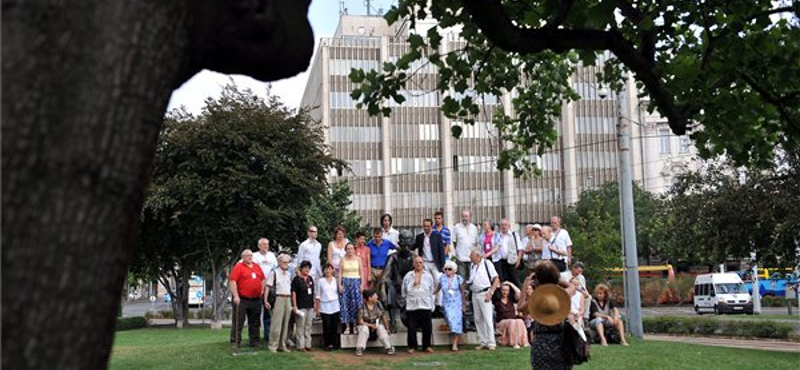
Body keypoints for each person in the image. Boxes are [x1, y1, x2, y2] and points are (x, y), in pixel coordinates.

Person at [528, 260, 572, 370]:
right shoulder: (561, 296)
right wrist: (555, 279)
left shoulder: (537, 300)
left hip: (541, 343)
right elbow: (572, 287)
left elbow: (520, 308)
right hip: (561, 342)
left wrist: (526, 283)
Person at [229, 249, 266, 348]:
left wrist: (262, 290)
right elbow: (233, 282)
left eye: (251, 255)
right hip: (242, 298)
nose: (250, 257)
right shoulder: (238, 267)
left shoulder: (257, 266)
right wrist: (236, 296)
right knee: (238, 321)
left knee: (255, 322)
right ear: (243, 257)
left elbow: (263, 279)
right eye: (248, 255)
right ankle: (235, 341)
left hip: (255, 299)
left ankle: (254, 341)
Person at [467, 247, 499, 350]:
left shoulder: (487, 264)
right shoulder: (472, 266)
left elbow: (496, 279)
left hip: (485, 292)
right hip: (475, 293)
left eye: (472, 256)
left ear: (478, 256)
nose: (470, 258)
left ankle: (491, 342)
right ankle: (483, 341)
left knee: (487, 318)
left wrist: (491, 292)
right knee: (478, 318)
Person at [402, 256, 436, 353]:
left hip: (425, 304)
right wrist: (413, 285)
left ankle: (427, 346)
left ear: (423, 264)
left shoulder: (428, 276)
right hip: (412, 305)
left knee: (427, 327)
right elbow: (403, 291)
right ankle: (412, 346)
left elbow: (431, 291)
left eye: (420, 262)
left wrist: (432, 304)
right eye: (416, 262)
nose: (418, 264)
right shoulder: (408, 276)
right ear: (413, 264)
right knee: (411, 328)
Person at [383, 229, 415, 333]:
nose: (406, 246)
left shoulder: (414, 258)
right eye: (403, 243)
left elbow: (419, 274)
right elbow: (385, 276)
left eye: (408, 242)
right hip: (396, 287)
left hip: (410, 287)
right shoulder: (393, 257)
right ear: (399, 243)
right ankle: (392, 322)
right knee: (390, 289)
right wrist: (383, 290)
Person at [434, 260, 466, 351]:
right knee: (450, 320)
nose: (447, 271)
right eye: (446, 269)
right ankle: (455, 338)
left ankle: (455, 343)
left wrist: (464, 304)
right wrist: (430, 294)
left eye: (449, 269)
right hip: (446, 303)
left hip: (456, 303)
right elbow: (437, 288)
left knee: (456, 322)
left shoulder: (458, 278)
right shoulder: (442, 278)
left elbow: (462, 292)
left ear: (454, 270)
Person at [265, 254, 293, 353]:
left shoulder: (289, 274)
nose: (286, 264)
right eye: (284, 262)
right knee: (276, 323)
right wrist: (265, 300)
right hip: (278, 298)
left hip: (287, 298)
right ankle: (273, 345)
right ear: (279, 262)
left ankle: (282, 345)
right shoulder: (274, 273)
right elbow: (267, 287)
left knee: (286, 323)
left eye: (287, 262)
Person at [355, 290, 396, 356]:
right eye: (375, 296)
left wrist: (387, 328)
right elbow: (360, 321)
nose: (377, 297)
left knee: (381, 328)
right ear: (369, 298)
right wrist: (371, 325)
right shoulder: (361, 306)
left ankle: (389, 348)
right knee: (364, 328)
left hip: (376, 325)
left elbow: (383, 316)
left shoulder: (378, 304)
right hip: (365, 325)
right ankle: (359, 348)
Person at [252, 238, 277, 342]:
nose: (266, 246)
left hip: (270, 287)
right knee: (256, 313)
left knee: (268, 312)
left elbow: (275, 268)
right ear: (259, 246)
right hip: (258, 287)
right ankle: (255, 337)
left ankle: (267, 335)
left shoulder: (271, 255)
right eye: (263, 244)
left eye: (267, 244)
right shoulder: (254, 256)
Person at [413, 219, 446, 293]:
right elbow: (413, 246)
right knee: (426, 282)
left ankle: (439, 303)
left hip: (435, 263)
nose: (426, 228)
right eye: (424, 226)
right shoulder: (420, 237)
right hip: (425, 263)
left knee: (438, 281)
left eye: (428, 226)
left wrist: (443, 264)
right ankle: (430, 300)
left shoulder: (437, 236)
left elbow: (441, 251)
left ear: (431, 226)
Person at [494, 282, 529, 349]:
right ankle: (514, 343)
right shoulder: (497, 300)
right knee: (512, 322)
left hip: (513, 320)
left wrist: (510, 284)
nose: (505, 292)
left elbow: (520, 294)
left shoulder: (511, 299)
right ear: (500, 291)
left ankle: (524, 342)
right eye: (503, 290)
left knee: (520, 321)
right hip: (501, 322)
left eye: (507, 290)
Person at [339, 243, 363, 334]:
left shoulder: (358, 259)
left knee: (356, 305)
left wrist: (361, 285)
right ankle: (347, 327)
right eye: (348, 249)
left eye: (351, 248)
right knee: (346, 304)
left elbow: (361, 273)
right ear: (346, 250)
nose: (350, 250)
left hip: (356, 282)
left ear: (354, 249)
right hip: (345, 282)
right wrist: (340, 285)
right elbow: (340, 273)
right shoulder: (343, 259)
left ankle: (356, 326)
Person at [291, 260, 315, 352]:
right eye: (305, 267)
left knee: (308, 325)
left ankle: (308, 344)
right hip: (301, 306)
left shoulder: (310, 279)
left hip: (310, 306)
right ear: (301, 268)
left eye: (308, 268)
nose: (307, 269)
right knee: (300, 326)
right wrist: (295, 306)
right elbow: (294, 293)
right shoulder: (296, 279)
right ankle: (300, 345)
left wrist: (314, 304)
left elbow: (312, 292)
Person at [316, 263, 341, 351]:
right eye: (326, 269)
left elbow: (339, 292)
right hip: (324, 305)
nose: (328, 271)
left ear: (332, 270)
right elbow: (318, 295)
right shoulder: (320, 281)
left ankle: (334, 343)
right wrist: (317, 308)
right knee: (326, 325)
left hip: (335, 305)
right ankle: (327, 344)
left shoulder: (336, 280)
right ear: (323, 271)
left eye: (330, 269)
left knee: (334, 325)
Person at [492, 218, 522, 286]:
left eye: (505, 225)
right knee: (501, 280)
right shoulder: (496, 236)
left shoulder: (514, 235)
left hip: (511, 260)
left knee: (514, 279)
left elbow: (520, 249)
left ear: (509, 226)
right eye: (502, 225)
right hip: (499, 261)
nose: (503, 226)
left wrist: (518, 260)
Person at [368, 227, 396, 296]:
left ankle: (383, 305)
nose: (377, 238)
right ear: (373, 236)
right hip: (373, 269)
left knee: (382, 289)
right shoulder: (369, 244)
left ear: (382, 235)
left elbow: (396, 248)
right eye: (375, 237)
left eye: (379, 237)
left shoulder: (387, 243)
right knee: (372, 289)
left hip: (383, 269)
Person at [452, 209, 478, 279]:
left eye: (466, 216)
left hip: (472, 259)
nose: (464, 218)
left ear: (470, 217)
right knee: (461, 279)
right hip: (460, 258)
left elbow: (476, 243)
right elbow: (454, 243)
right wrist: (455, 256)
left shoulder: (474, 228)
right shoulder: (456, 227)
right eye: (463, 216)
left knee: (471, 278)